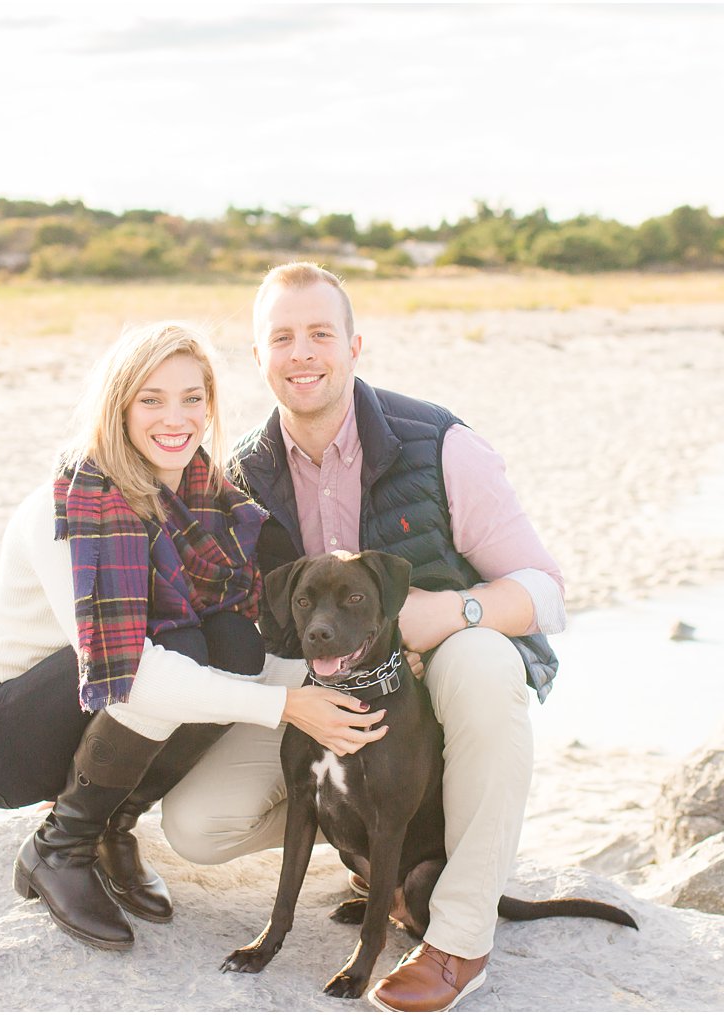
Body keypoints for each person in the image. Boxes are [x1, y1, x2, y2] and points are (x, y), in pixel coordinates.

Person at [158, 264, 565, 1011]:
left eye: (320, 333)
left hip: (438, 687)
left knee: (480, 662)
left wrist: (450, 614)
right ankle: (375, 845)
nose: (302, 352)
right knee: (197, 825)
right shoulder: (240, 477)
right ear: (259, 357)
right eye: (282, 337)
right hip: (326, 686)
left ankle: (459, 938)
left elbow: (544, 590)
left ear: (354, 345)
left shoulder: (439, 443)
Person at [0, 320, 387, 951]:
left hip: (92, 704)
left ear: (210, 405)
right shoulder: (71, 505)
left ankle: (112, 823)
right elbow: (133, 677)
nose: (174, 417)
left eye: (191, 398)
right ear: (118, 406)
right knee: (174, 654)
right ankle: (59, 848)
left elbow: (252, 653)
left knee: (231, 643)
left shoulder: (210, 501)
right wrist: (288, 706)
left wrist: (354, 683)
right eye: (150, 399)